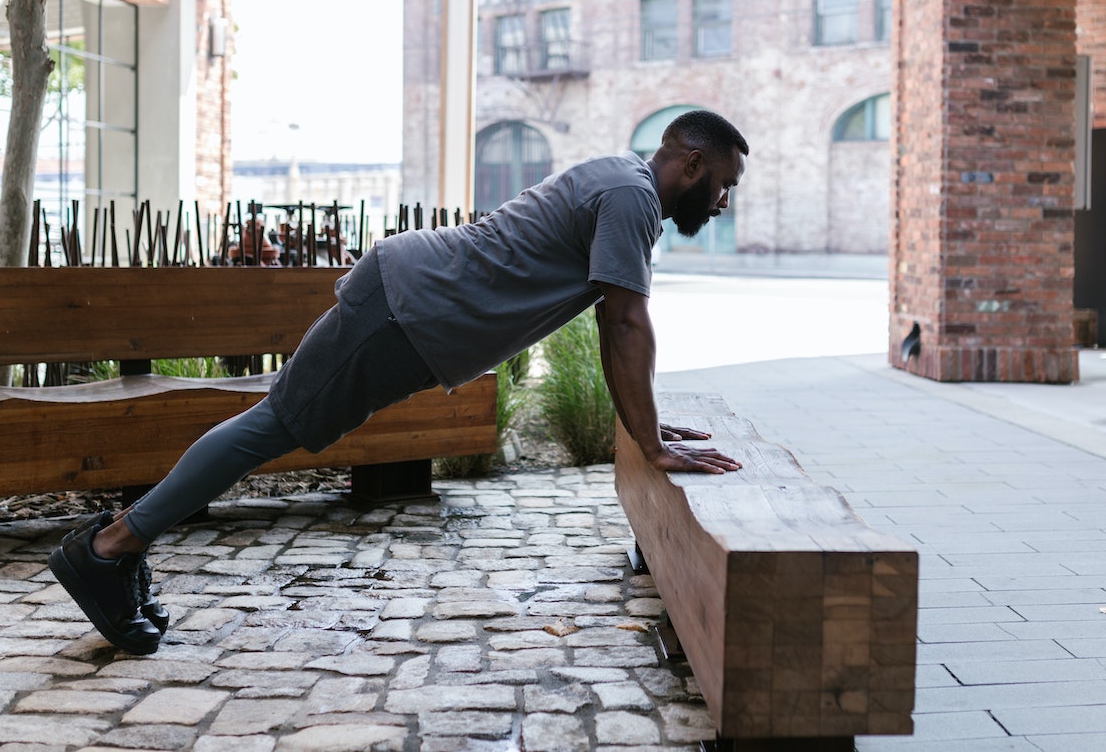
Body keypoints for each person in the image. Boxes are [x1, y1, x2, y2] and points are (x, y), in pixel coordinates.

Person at [49, 109, 750, 654]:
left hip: (410, 307)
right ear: (691, 163)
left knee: (271, 423)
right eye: (724, 184)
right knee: (271, 426)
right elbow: (624, 323)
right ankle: (110, 548)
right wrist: (651, 441)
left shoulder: (624, 185)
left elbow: (620, 321)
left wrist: (649, 427)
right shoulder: (630, 199)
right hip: (406, 309)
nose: (723, 201)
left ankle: (119, 543)